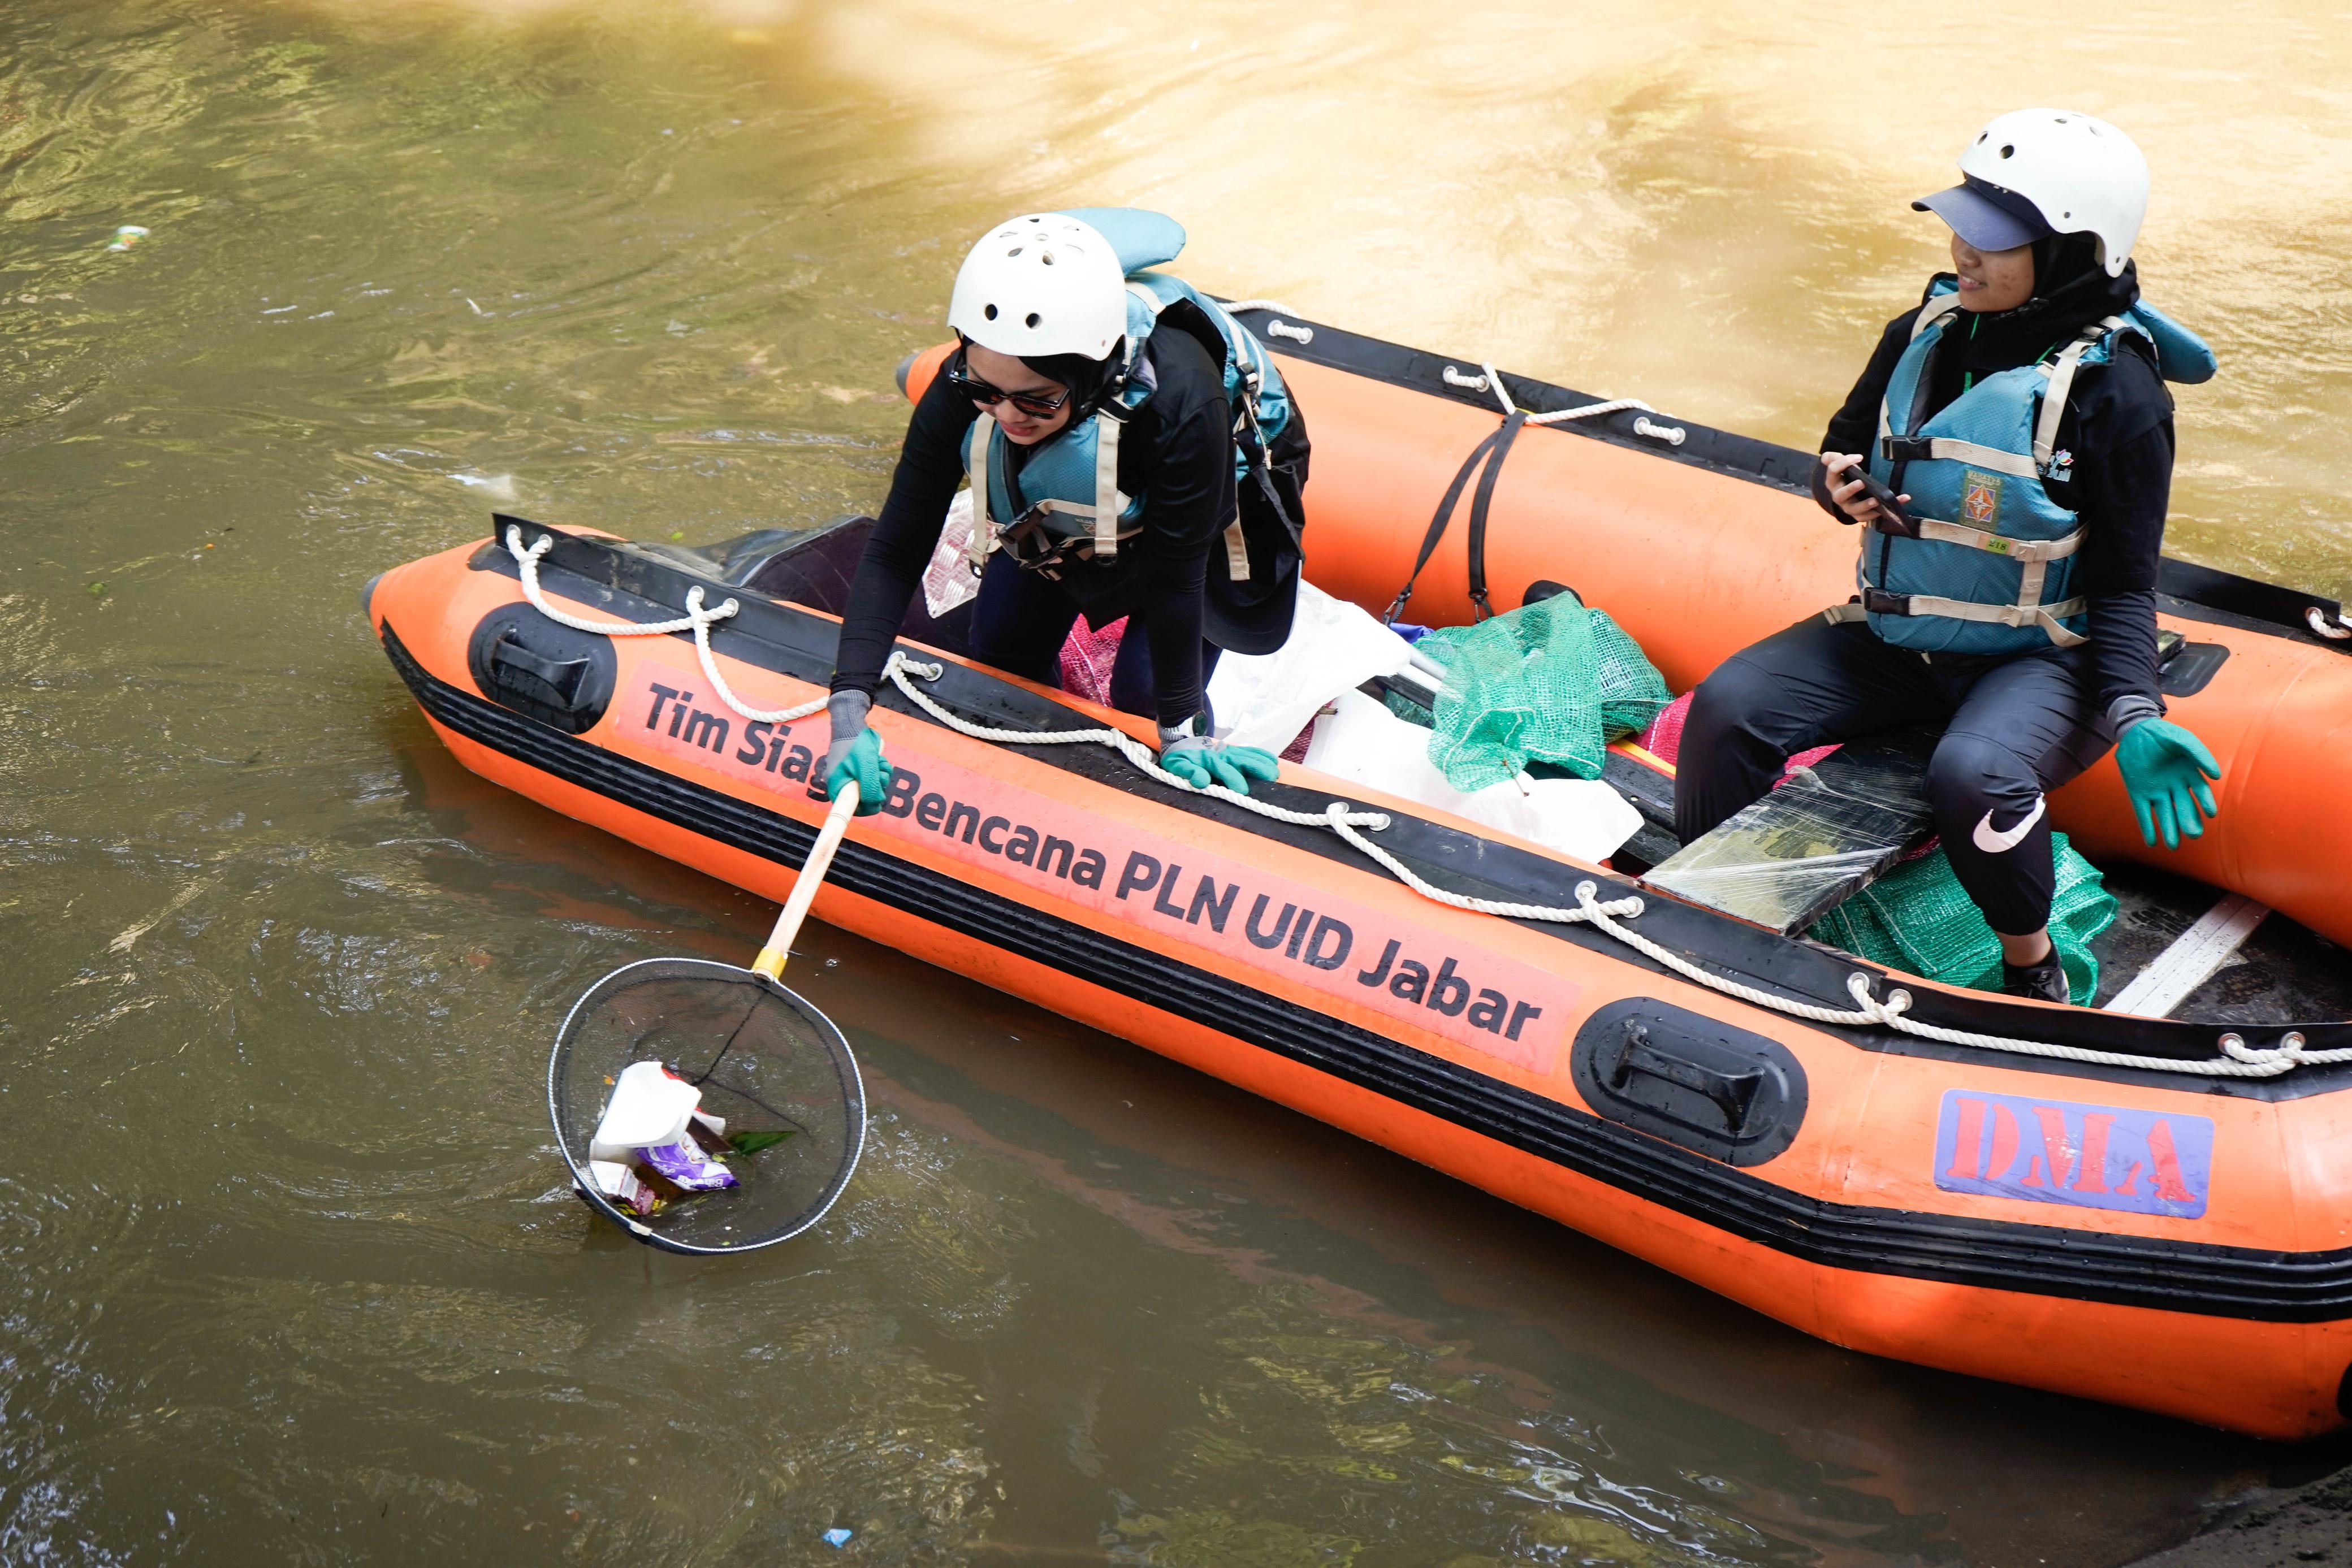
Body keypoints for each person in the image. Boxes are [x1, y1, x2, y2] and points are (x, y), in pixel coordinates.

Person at [1674, 109, 2223, 1003]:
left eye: (1995, 241)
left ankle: (2030, 969)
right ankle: (1720, 925)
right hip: (1903, 636)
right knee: (1730, 708)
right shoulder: (1923, 332)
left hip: (2042, 653)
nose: (1965, 250)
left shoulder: (2119, 394)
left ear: (2073, 252)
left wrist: (2133, 713)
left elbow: (2127, 584)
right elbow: (1842, 445)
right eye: (1962, 224)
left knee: (1975, 773)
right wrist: (1838, 484)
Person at [821, 208, 1310, 811]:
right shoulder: (963, 385)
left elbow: (1174, 576)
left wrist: (1181, 728)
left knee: (1145, 692)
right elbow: (898, 548)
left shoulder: (1181, 397)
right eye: (986, 393)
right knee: (1000, 651)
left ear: (1095, 371)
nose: (1004, 415)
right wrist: (848, 708)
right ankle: (1034, 795)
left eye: (1035, 399)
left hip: (1209, 499)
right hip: (1077, 489)